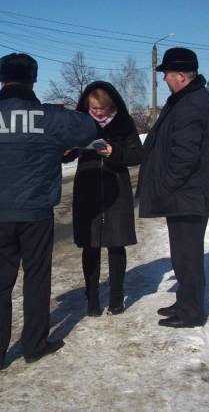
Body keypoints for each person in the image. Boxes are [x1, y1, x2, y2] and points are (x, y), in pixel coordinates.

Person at [0, 53, 96, 370]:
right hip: (37, 214)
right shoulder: (50, 116)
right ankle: (33, 345)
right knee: (36, 282)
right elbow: (88, 128)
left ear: (1, 79)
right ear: (33, 80)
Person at [135, 47, 209, 328]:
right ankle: (185, 303)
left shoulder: (192, 103)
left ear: (181, 75)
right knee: (182, 256)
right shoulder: (186, 98)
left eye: (167, 74)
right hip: (185, 195)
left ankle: (192, 313)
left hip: (188, 195)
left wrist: (165, 186)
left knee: (189, 257)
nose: (164, 79)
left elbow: (185, 155)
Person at [63, 82, 143, 317]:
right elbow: (67, 153)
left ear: (112, 105)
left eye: (102, 108)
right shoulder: (80, 121)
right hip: (87, 189)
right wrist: (65, 151)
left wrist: (114, 153)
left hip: (116, 188)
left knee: (116, 244)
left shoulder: (123, 123)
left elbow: (137, 154)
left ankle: (117, 296)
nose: (98, 113)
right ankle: (93, 298)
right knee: (90, 245)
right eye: (94, 107)